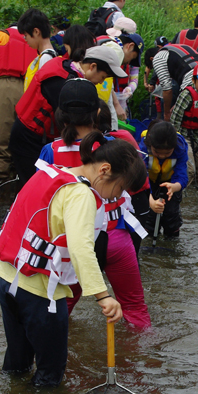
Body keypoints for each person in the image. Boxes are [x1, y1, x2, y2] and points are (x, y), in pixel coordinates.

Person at [0, 133, 147, 386]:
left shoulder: (50, 172)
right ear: (104, 170)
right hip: (38, 293)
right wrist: (103, 295)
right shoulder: (81, 194)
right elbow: (81, 248)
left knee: (17, 363)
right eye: (119, 188)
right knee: (50, 375)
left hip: (5, 277)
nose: (115, 198)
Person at [38, 79, 151, 329]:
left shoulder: (50, 151)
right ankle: (144, 361)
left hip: (73, 245)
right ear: (98, 112)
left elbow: (41, 200)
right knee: (134, 307)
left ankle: (59, 362)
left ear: (60, 116)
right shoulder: (116, 146)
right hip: (116, 237)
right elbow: (141, 187)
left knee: (58, 309)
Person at [11, 40, 123, 183]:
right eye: (102, 77)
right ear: (92, 66)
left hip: (41, 135)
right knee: (35, 183)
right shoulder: (62, 82)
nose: (101, 83)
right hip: (28, 137)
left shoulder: (70, 70)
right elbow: (69, 120)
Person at [0, 18, 36, 185]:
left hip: (4, 85)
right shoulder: (33, 40)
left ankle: (0, 182)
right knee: (23, 135)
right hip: (29, 88)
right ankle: (22, 181)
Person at [137, 121, 189, 238]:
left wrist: (174, 187)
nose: (162, 156)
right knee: (149, 218)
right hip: (148, 183)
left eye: (167, 153)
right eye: (157, 152)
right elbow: (140, 178)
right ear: (150, 145)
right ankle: (148, 246)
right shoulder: (143, 149)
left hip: (171, 184)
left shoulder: (179, 149)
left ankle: (171, 245)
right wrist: (151, 202)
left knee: (171, 217)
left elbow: (182, 176)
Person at [149, 42, 198, 120]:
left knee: (183, 122)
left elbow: (167, 90)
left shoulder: (158, 58)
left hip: (194, 82)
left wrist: (167, 113)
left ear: (151, 59)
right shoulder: (177, 48)